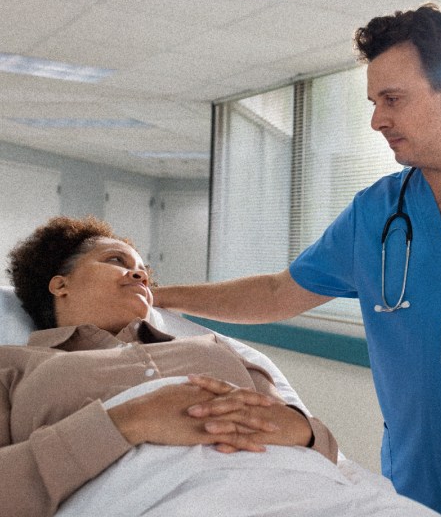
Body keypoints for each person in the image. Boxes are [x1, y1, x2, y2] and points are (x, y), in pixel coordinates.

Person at [152, 3, 441, 517]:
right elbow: (277, 293)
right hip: (412, 493)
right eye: (374, 102)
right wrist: (159, 296)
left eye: (392, 99)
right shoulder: (376, 212)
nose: (377, 120)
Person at [0, 216, 338, 517]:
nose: (139, 275)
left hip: (301, 493)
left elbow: (326, 452)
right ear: (61, 284)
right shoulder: (16, 367)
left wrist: (303, 431)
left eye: (144, 272)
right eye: (116, 261)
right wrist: (127, 422)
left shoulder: (215, 349)